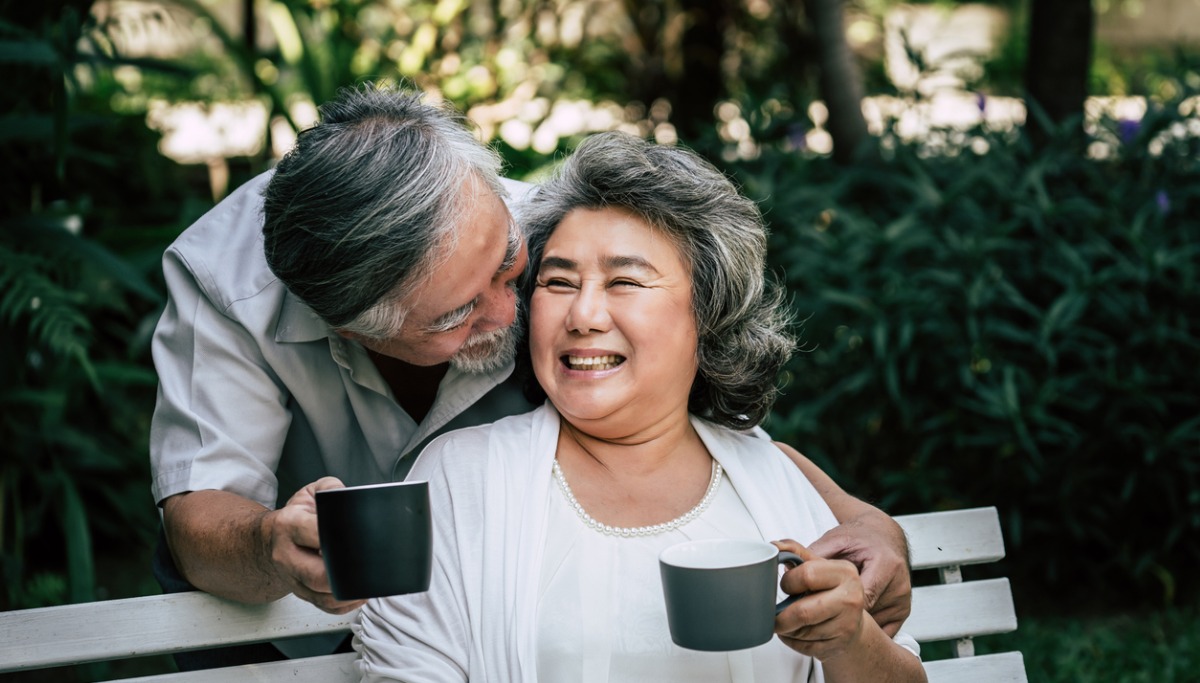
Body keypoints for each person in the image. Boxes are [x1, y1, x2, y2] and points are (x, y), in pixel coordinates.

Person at [148, 82, 910, 667]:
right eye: (456, 314)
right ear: (350, 328)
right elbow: (198, 514)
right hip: (294, 634)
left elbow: (671, 416)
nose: (517, 311)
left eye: (513, 267)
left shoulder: (534, 230)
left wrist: (858, 515)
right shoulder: (231, 286)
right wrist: (272, 545)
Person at [353, 131, 926, 682]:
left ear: (707, 313)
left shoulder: (773, 480)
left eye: (625, 281)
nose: (583, 316)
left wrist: (851, 640)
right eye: (557, 283)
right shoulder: (460, 479)